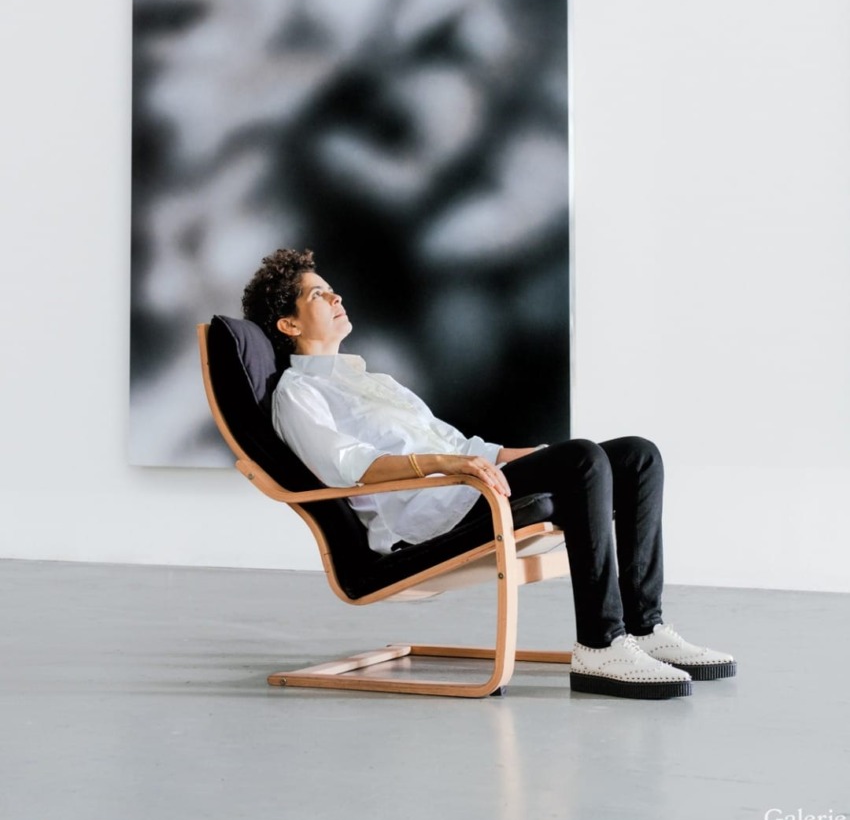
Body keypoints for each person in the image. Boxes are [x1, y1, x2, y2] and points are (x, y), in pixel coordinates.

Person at [242, 248, 736, 700]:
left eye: (331, 287)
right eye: (316, 293)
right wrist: (450, 465)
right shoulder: (297, 394)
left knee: (636, 455)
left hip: (464, 487)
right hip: (430, 517)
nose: (335, 296)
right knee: (584, 460)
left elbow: (460, 445)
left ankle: (646, 627)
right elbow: (347, 467)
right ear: (288, 324)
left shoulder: (375, 380)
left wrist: (538, 455)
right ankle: (600, 644)